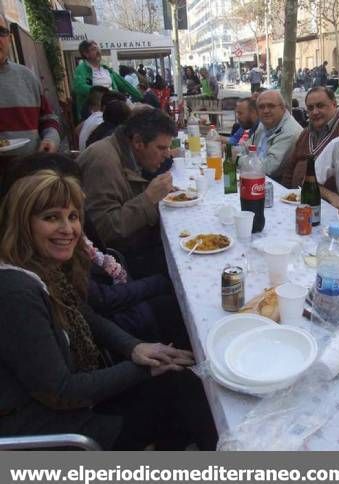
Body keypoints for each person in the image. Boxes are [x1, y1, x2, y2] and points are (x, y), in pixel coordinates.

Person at [0, 170, 216, 450]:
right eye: (51, 217)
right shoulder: (16, 293)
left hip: (75, 402)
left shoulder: (39, 265)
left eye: (73, 217)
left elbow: (86, 315)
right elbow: (62, 391)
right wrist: (143, 369)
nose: (68, 229)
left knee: (185, 381)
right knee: (190, 397)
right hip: (56, 429)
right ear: (22, 223)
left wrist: (135, 347)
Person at [77, 108, 177, 279]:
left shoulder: (124, 152)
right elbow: (102, 231)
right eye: (161, 148)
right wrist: (149, 198)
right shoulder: (103, 161)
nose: (167, 155)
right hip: (118, 264)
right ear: (138, 142)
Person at [0, 14, 60, 161]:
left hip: (30, 173)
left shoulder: (27, 77)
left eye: (1, 32)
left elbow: (48, 118)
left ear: (9, 38)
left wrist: (51, 138)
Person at [279, 86, 339, 188]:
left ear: (334, 104)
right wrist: (285, 192)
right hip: (295, 198)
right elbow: (291, 167)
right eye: (310, 108)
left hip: (326, 201)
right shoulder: (306, 133)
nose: (315, 112)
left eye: (320, 106)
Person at [73, 40, 141, 122]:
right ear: (86, 54)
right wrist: (104, 92)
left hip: (114, 105)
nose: (98, 51)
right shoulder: (81, 69)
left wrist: (140, 97)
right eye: (94, 49)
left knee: (140, 111)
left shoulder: (106, 69)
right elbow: (79, 87)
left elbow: (124, 84)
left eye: (98, 48)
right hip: (95, 111)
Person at [251, 90, 303, 180]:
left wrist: (238, 160)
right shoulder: (264, 123)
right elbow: (246, 147)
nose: (266, 111)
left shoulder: (290, 131)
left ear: (283, 108)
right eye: (261, 107)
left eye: (271, 106)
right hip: (256, 178)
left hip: (278, 185)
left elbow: (268, 169)